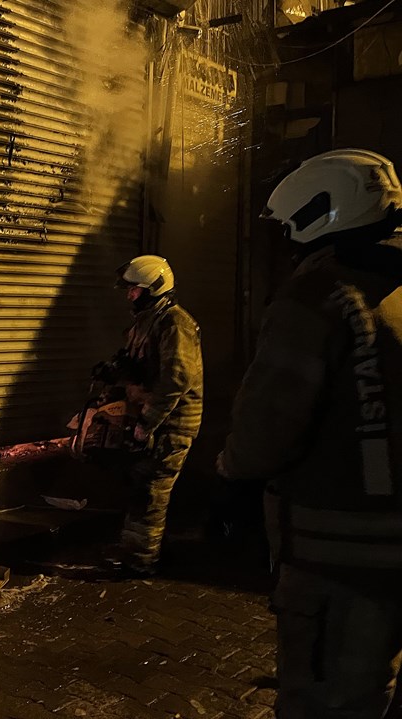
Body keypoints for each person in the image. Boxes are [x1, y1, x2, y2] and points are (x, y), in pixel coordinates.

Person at [217, 148, 402, 718]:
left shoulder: (317, 296)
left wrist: (231, 479)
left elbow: (267, 424)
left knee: (328, 700)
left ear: (316, 214)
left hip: (342, 559)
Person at [98, 255, 204, 576]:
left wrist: (147, 423)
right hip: (153, 419)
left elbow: (176, 379)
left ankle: (140, 560)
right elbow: (139, 362)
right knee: (139, 483)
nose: (129, 295)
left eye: (134, 290)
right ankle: (139, 548)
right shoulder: (149, 319)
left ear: (153, 288)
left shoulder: (175, 323)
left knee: (151, 489)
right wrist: (114, 371)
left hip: (171, 423)